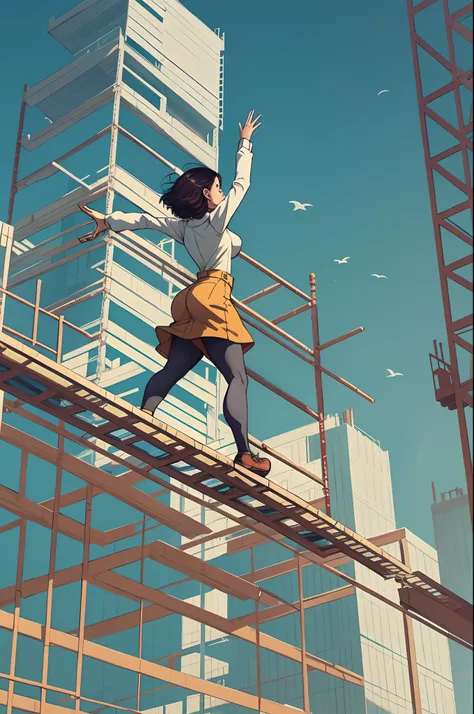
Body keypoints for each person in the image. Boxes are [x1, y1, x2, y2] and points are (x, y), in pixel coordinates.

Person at [79, 110, 270, 475]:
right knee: (237, 378)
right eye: (216, 187)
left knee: (175, 366)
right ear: (207, 194)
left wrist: (108, 222)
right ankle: (244, 453)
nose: (220, 190)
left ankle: (145, 414)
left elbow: (146, 220)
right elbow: (242, 184)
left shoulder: (184, 228)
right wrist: (245, 142)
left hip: (191, 297)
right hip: (214, 294)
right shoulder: (216, 219)